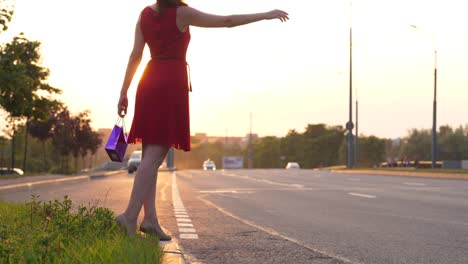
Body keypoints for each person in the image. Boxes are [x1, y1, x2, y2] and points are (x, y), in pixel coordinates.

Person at [115, 0, 289, 238]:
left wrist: (124, 91)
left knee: (148, 156)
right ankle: (129, 217)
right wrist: (265, 14)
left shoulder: (145, 14)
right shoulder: (182, 13)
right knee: (155, 156)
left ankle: (151, 220)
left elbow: (136, 55)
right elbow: (226, 21)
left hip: (148, 81)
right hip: (169, 84)